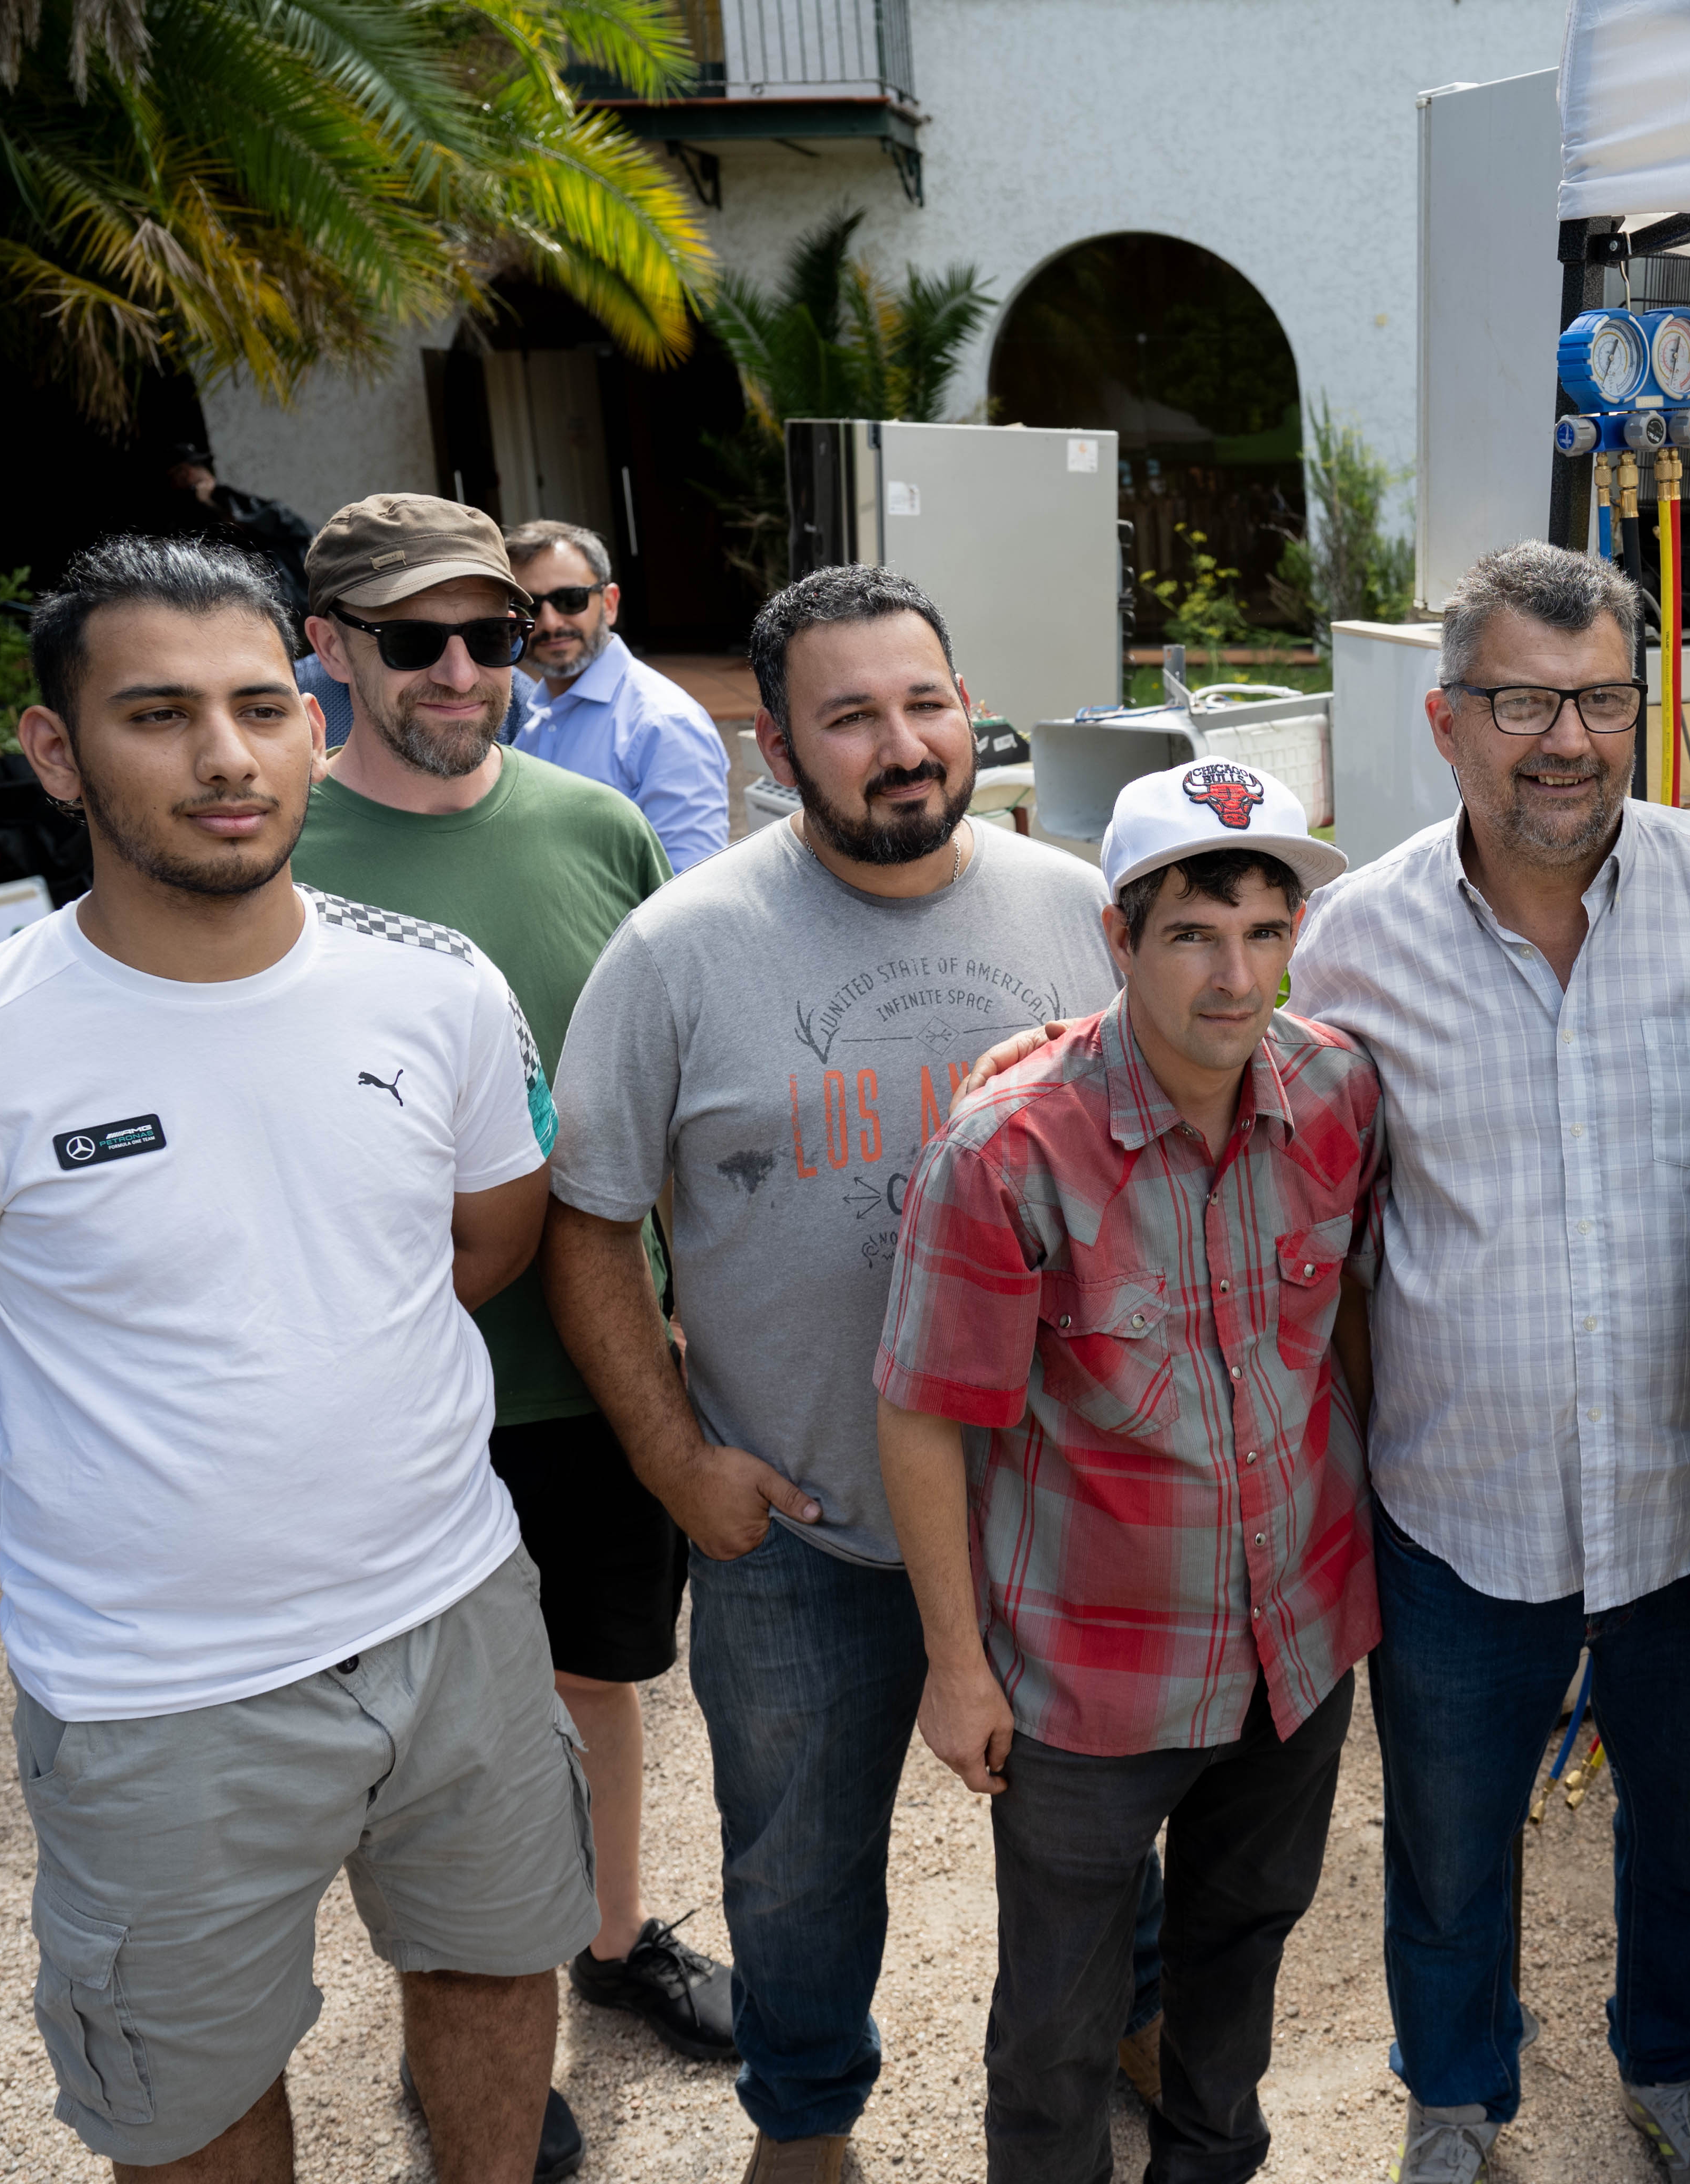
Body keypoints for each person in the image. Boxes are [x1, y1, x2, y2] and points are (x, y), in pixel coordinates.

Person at [0, 534, 592, 2182]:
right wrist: (139, 1455)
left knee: (499, 1966)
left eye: (258, 705)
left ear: (311, 717)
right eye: (158, 712)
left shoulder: (440, 992)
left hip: (458, 1613)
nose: (226, 756)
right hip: (156, 1689)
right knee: (192, 2087)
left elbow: (481, 1246)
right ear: (54, 749)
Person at [1287, 541, 1690, 2183]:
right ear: (1447, 718)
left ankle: (1675, 2066)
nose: (1569, 738)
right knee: (1451, 1841)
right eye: (1526, 700)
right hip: (1457, 1494)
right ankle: (1458, 2097)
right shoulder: (1349, 943)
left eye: (1604, 698)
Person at [543, 563, 1116, 2184]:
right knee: (795, 1876)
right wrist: (675, 1461)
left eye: (925, 702)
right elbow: (588, 1224)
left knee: (1095, 1850)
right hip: (802, 1520)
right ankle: (805, 2124)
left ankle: (1127, 2031)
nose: (902, 744)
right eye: (850, 716)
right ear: (776, 748)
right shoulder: (681, 950)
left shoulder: (1079, 910)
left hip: (1055, 1521)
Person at [875, 760, 1378, 2184]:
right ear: (1119, 937)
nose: (1237, 977)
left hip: (1297, 1646)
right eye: (1194, 934)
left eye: (1266, 932)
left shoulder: (1339, 1093)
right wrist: (956, 1667)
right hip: (1092, 1679)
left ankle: (1212, 2163)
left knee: (1243, 1953)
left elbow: (1346, 1316)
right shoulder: (1008, 1151)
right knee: (1058, 2017)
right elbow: (922, 1412)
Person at [290, 494, 735, 2072]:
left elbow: (662, 1088)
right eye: (418, 639)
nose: (467, 666)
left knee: (600, 1671)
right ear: (332, 645)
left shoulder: (591, 826)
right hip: (399, 1380)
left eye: (494, 632)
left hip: (595, 1360)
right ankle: (472, 2045)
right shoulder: (274, 848)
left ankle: (613, 1938)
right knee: (426, 1727)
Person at [505, 518, 734, 872]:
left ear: (609, 603)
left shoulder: (665, 725)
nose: (550, 623)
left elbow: (692, 888)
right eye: (532, 607)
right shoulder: (536, 718)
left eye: (570, 599)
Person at [159, 440, 312, 611]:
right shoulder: (185, 514)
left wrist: (210, 503)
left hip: (284, 593)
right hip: (261, 599)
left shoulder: (225, 499)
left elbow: (259, 523)